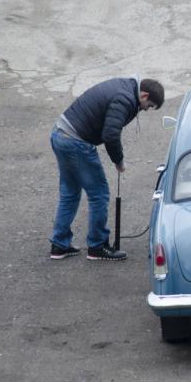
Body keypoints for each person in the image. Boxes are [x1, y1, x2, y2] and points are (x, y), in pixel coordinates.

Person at [49, 77, 165, 261]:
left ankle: (59, 245)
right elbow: (110, 134)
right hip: (75, 142)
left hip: (59, 134)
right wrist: (119, 161)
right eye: (149, 105)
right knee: (99, 194)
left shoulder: (126, 87)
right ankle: (97, 246)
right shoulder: (125, 99)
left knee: (70, 192)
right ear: (144, 95)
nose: (145, 109)